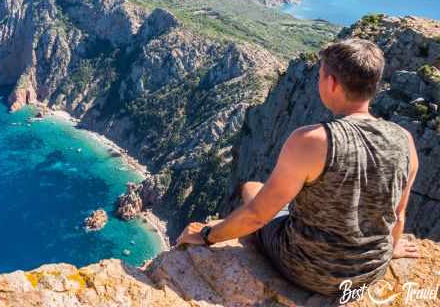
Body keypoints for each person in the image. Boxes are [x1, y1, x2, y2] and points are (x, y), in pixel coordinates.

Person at [176, 38, 419, 296]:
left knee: (251, 188)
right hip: (369, 272)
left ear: (331, 83)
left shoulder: (312, 141)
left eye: (320, 76)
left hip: (307, 269)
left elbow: (257, 216)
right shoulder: (405, 139)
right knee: (257, 189)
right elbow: (398, 214)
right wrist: (389, 251)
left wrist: (206, 235)